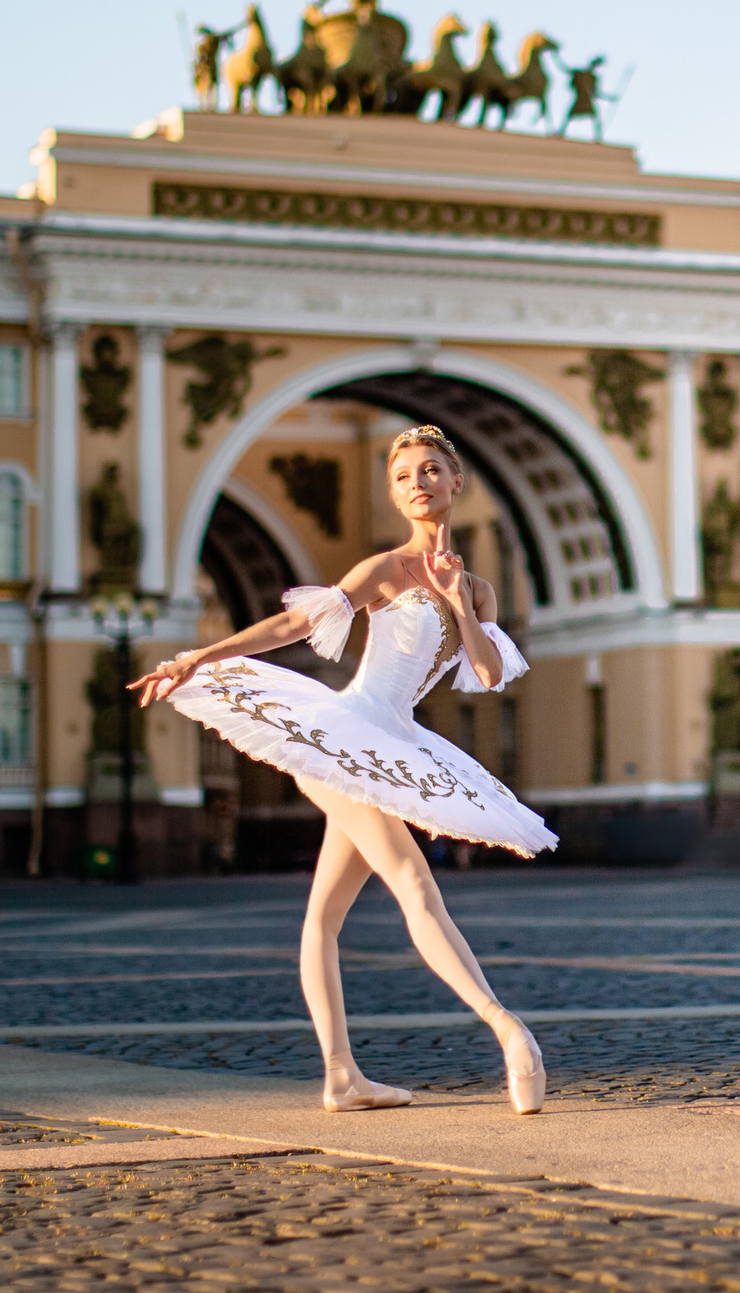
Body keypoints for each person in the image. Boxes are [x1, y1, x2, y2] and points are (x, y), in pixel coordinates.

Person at [131, 425, 553, 1114]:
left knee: (324, 917)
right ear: (395, 494)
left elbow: (487, 669)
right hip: (343, 735)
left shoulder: (477, 589)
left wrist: (454, 600)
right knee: (414, 880)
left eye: (430, 470)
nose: (416, 482)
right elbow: (292, 628)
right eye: (402, 476)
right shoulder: (384, 568)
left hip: (396, 744)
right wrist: (198, 657)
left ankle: (340, 1077)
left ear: (455, 481)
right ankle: (509, 1030)